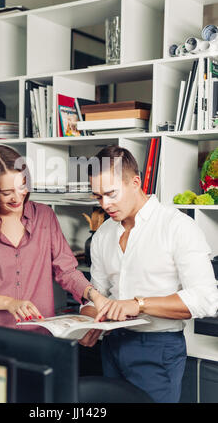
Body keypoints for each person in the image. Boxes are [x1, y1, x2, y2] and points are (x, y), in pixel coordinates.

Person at [79, 145, 218, 403]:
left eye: (111, 193)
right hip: (111, 346)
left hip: (158, 349)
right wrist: (87, 321)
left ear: (135, 182)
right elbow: (96, 295)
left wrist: (139, 304)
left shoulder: (177, 227)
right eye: (98, 197)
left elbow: (206, 299)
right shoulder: (102, 236)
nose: (105, 204)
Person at [0, 145, 107, 329]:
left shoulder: (45, 216)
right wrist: (8, 303)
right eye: (7, 193)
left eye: (22, 186)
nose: (18, 198)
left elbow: (67, 271)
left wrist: (93, 295)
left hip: (38, 332)